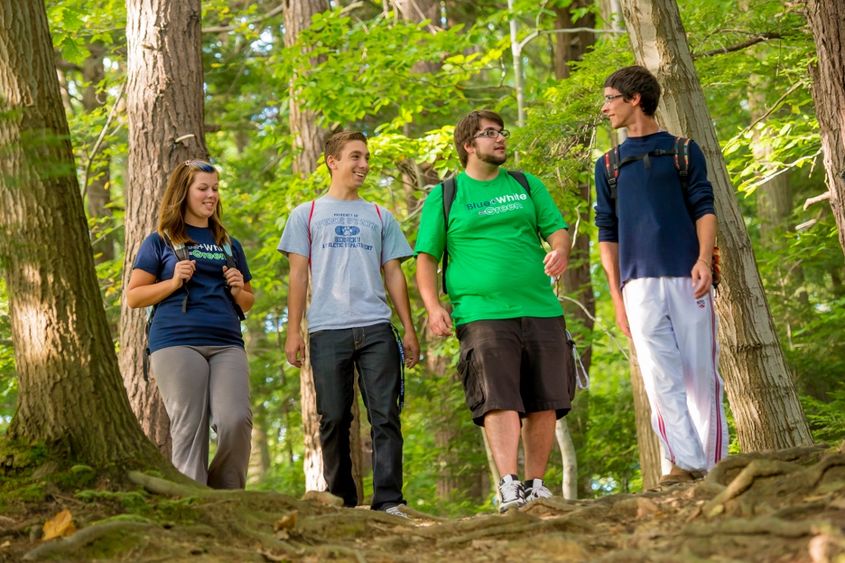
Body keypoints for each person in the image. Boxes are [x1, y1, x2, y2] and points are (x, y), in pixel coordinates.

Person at [415, 110, 576, 513]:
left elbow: (556, 230)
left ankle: (536, 485)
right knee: (498, 397)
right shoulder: (447, 194)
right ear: (469, 145)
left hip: (540, 306)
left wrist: (559, 250)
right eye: (489, 134)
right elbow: (426, 258)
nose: (500, 138)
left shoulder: (526, 184)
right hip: (481, 312)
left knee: (545, 398)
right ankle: (508, 485)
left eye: (501, 132)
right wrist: (434, 306)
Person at [594, 65, 729, 484]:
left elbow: (704, 208)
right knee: (660, 379)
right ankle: (684, 466)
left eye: (610, 98)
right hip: (637, 286)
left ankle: (712, 470)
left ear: (634, 99)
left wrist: (704, 260)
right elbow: (607, 233)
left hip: (689, 278)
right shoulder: (609, 164)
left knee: (701, 379)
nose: (605, 108)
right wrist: (618, 299)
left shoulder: (684, 150)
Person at [278, 131, 419, 516]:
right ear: (332, 161)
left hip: (376, 327)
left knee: (385, 416)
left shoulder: (379, 215)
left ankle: (389, 499)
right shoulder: (306, 214)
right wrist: (294, 331)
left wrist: (408, 328)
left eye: (367, 158)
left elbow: (393, 274)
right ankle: (341, 500)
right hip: (327, 329)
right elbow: (298, 276)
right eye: (355, 157)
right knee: (334, 418)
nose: (364, 165)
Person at [127, 159, 255, 489]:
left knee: (235, 421)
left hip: (226, 341)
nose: (211, 195)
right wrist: (171, 283)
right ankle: (194, 501)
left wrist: (239, 288)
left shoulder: (229, 243)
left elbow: (248, 302)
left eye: (215, 189)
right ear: (184, 192)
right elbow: (134, 296)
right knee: (189, 427)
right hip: (176, 340)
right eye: (203, 189)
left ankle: (228, 500)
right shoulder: (159, 241)